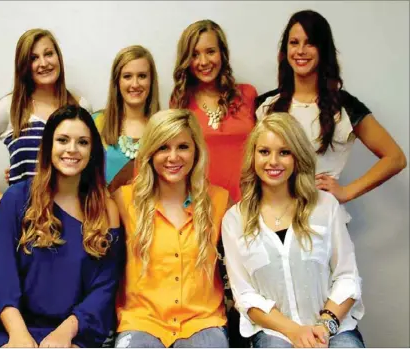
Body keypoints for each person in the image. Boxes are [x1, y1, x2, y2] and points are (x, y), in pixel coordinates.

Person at [0, 105, 123, 348]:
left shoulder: (107, 210)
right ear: (48, 147)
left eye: (82, 142)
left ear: (93, 151)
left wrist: (66, 333)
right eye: (63, 140)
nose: (72, 150)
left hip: (78, 330)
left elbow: (104, 289)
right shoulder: (15, 199)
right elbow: (2, 279)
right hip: (14, 327)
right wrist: (19, 336)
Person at [222, 112, 365, 348]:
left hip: (332, 329)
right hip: (274, 333)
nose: (273, 162)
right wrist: (295, 332)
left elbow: (347, 277)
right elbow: (245, 296)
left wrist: (323, 326)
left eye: (284, 152)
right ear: (253, 156)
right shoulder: (234, 220)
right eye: (264, 152)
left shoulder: (326, 206)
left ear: (297, 156)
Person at [255, 9, 406, 223]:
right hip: (272, 219)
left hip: (322, 221)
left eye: (310, 43)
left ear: (323, 49)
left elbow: (396, 158)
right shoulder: (266, 105)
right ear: (285, 49)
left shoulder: (345, 107)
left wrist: (347, 191)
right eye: (294, 42)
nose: (300, 51)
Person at [113, 109, 230, 348]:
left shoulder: (219, 202)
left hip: (202, 321)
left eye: (183, 147)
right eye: (163, 147)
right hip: (142, 322)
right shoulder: (124, 201)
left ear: (196, 150)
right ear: (150, 153)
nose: (173, 157)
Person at [0, 28, 92, 206]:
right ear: (24, 65)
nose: (43, 63)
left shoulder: (81, 107)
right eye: (33, 58)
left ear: (58, 57)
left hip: (75, 216)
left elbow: (91, 163)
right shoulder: (10, 107)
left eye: (48, 54)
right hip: (26, 223)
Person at [170, 19, 258, 203]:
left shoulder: (247, 95)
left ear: (222, 54)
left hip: (249, 202)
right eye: (194, 54)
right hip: (202, 204)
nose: (203, 62)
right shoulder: (180, 101)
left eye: (210, 51)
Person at [93, 45, 160, 193]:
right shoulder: (96, 123)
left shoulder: (163, 127)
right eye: (127, 76)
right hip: (102, 213)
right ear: (117, 82)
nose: (135, 84)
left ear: (151, 81)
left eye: (142, 76)